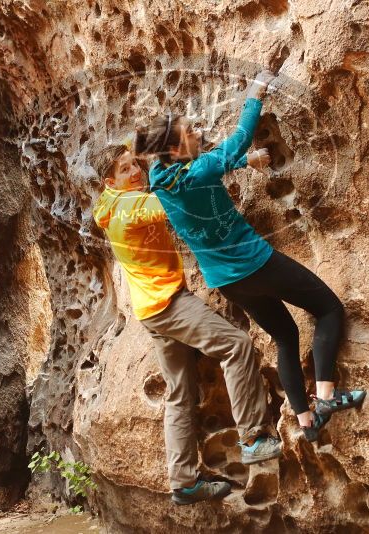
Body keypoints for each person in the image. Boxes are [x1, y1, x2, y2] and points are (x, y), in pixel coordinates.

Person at [134, 70, 366, 443]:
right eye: (189, 133)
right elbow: (237, 141)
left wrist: (244, 163)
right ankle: (326, 396)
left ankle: (306, 422)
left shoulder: (163, 177)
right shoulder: (197, 170)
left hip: (229, 282)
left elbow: (216, 164)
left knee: (286, 337)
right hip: (257, 263)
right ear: (176, 150)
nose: (197, 133)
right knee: (328, 308)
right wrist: (255, 91)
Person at [90, 143, 282, 506]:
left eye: (136, 165)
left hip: (150, 311)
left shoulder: (109, 207)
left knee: (180, 394)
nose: (137, 173)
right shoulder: (130, 206)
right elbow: (178, 195)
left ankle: (184, 482)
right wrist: (242, 159)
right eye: (126, 170)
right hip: (170, 305)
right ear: (109, 181)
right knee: (237, 345)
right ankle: (254, 439)